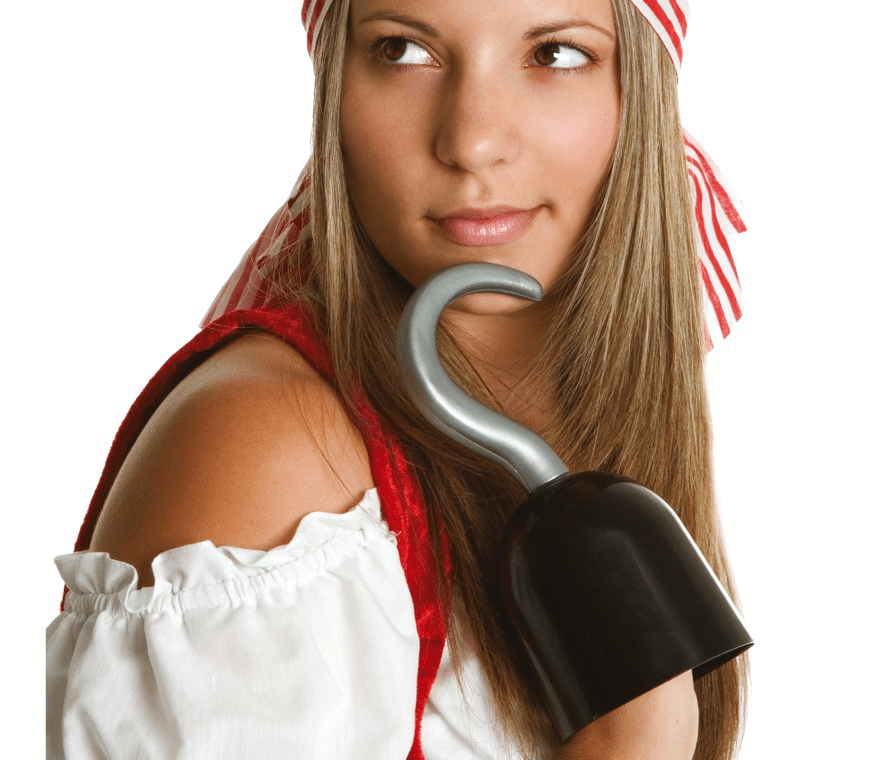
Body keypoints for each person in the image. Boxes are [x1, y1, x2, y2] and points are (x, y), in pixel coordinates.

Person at [46, 0, 749, 758]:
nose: (473, 142)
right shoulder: (271, 459)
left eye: (553, 55)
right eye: (402, 51)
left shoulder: (587, 423)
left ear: (639, 94)